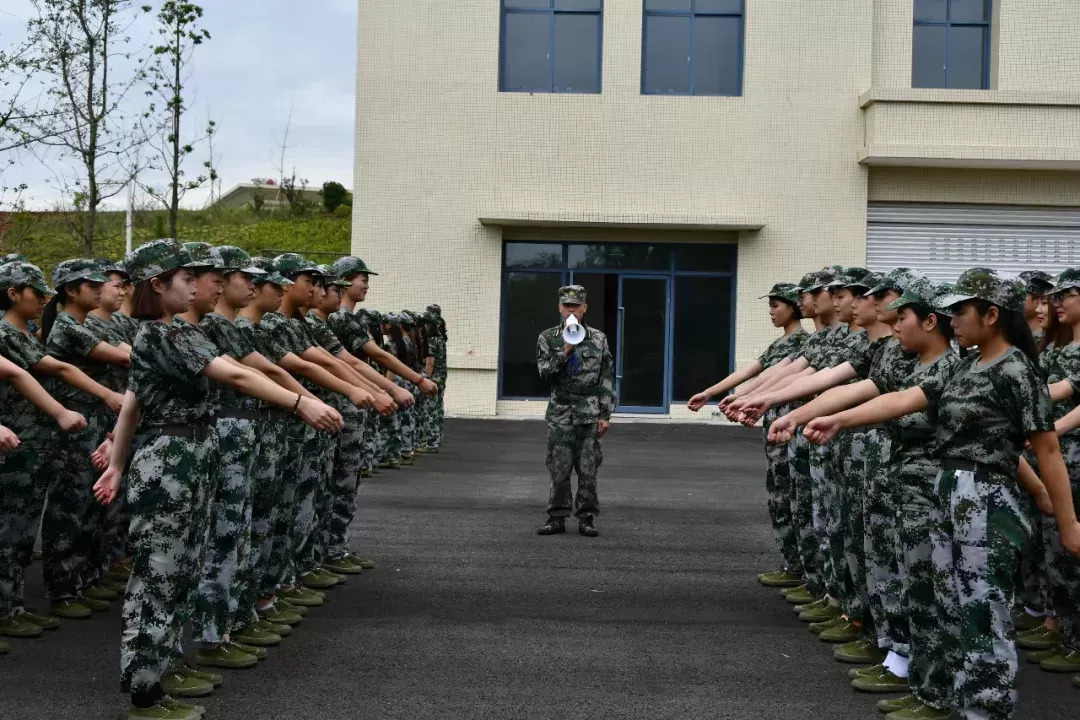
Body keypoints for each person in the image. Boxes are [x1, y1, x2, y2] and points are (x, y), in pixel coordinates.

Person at [803, 267, 1080, 720]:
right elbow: (903, 399)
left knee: (982, 611)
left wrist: (1067, 523)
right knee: (948, 603)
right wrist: (837, 420)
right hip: (949, 489)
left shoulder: (1017, 371)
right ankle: (946, 697)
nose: (951, 319)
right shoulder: (966, 365)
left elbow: (1045, 449)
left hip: (987, 497)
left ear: (992, 315)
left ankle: (986, 710)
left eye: (960, 310)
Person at [91, 239, 341, 720]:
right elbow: (237, 376)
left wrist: (118, 462)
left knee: (182, 569)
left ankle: (167, 665)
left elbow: (132, 405)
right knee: (159, 575)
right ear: (156, 285)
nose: (193, 288)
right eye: (184, 279)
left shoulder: (176, 334)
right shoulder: (166, 336)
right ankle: (144, 692)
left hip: (189, 453)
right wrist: (300, 402)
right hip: (171, 462)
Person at [688, 281, 807, 586]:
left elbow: (773, 378)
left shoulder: (801, 343)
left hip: (791, 428)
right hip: (775, 427)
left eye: (776, 305)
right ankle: (793, 565)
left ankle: (801, 569)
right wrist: (712, 392)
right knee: (780, 497)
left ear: (793, 307)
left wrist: (742, 399)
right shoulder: (781, 343)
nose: (771, 311)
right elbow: (751, 371)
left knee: (791, 499)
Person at [535, 285, 614, 538]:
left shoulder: (598, 338)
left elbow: (606, 377)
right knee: (559, 469)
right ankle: (556, 517)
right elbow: (544, 373)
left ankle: (586, 518)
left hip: (589, 413)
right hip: (560, 413)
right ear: (559, 307)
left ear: (584, 308)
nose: (572, 309)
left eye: (576, 305)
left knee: (588, 470)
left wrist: (605, 414)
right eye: (567, 305)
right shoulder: (548, 338)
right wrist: (565, 350)